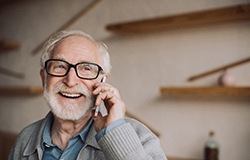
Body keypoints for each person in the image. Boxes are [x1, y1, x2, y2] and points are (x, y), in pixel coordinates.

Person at [9, 30, 167, 160]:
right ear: (44, 78)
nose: (70, 81)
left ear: (103, 81)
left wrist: (114, 133)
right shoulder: (26, 138)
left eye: (86, 68)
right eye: (60, 66)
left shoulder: (140, 137)